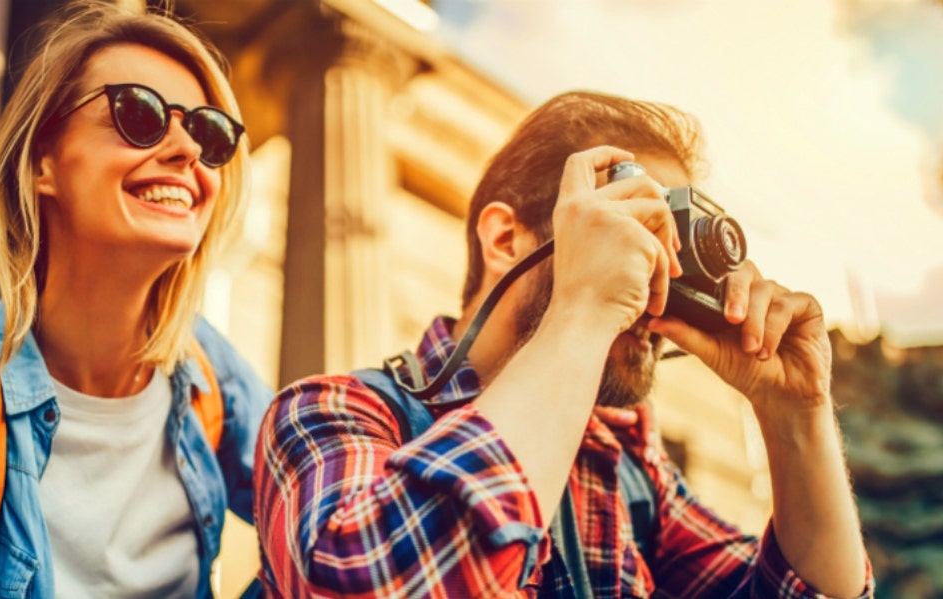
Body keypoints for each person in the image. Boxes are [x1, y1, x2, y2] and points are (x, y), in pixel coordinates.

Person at [253, 91, 873, 597]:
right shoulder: (328, 413)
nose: (656, 277)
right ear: (506, 239)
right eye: (635, 229)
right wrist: (585, 307)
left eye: (671, 244)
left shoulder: (628, 468)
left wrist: (797, 418)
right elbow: (374, 585)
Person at [0, 3, 270, 597]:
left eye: (208, 132)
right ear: (43, 162)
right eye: (139, 114)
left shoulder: (214, 380)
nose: (187, 150)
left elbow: (335, 539)